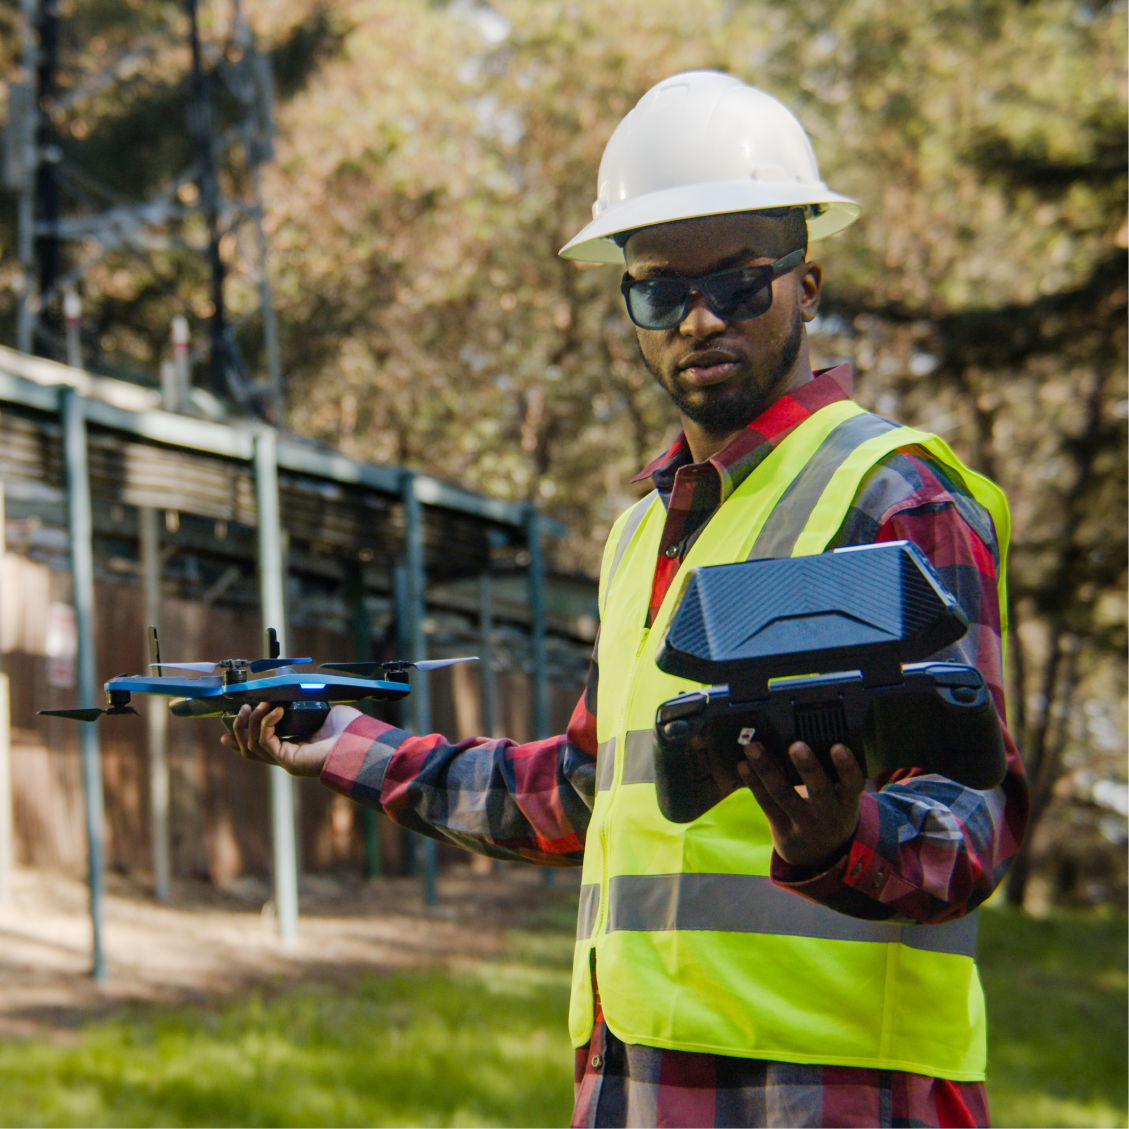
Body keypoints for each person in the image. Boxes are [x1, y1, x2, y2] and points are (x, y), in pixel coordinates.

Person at [224, 72, 1028, 1129]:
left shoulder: (893, 496)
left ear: (807, 284)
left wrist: (848, 833)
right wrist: (338, 742)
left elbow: (977, 816)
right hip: (638, 1082)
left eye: (739, 282)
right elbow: (584, 793)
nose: (698, 318)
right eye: (659, 289)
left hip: (836, 1094)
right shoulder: (642, 533)